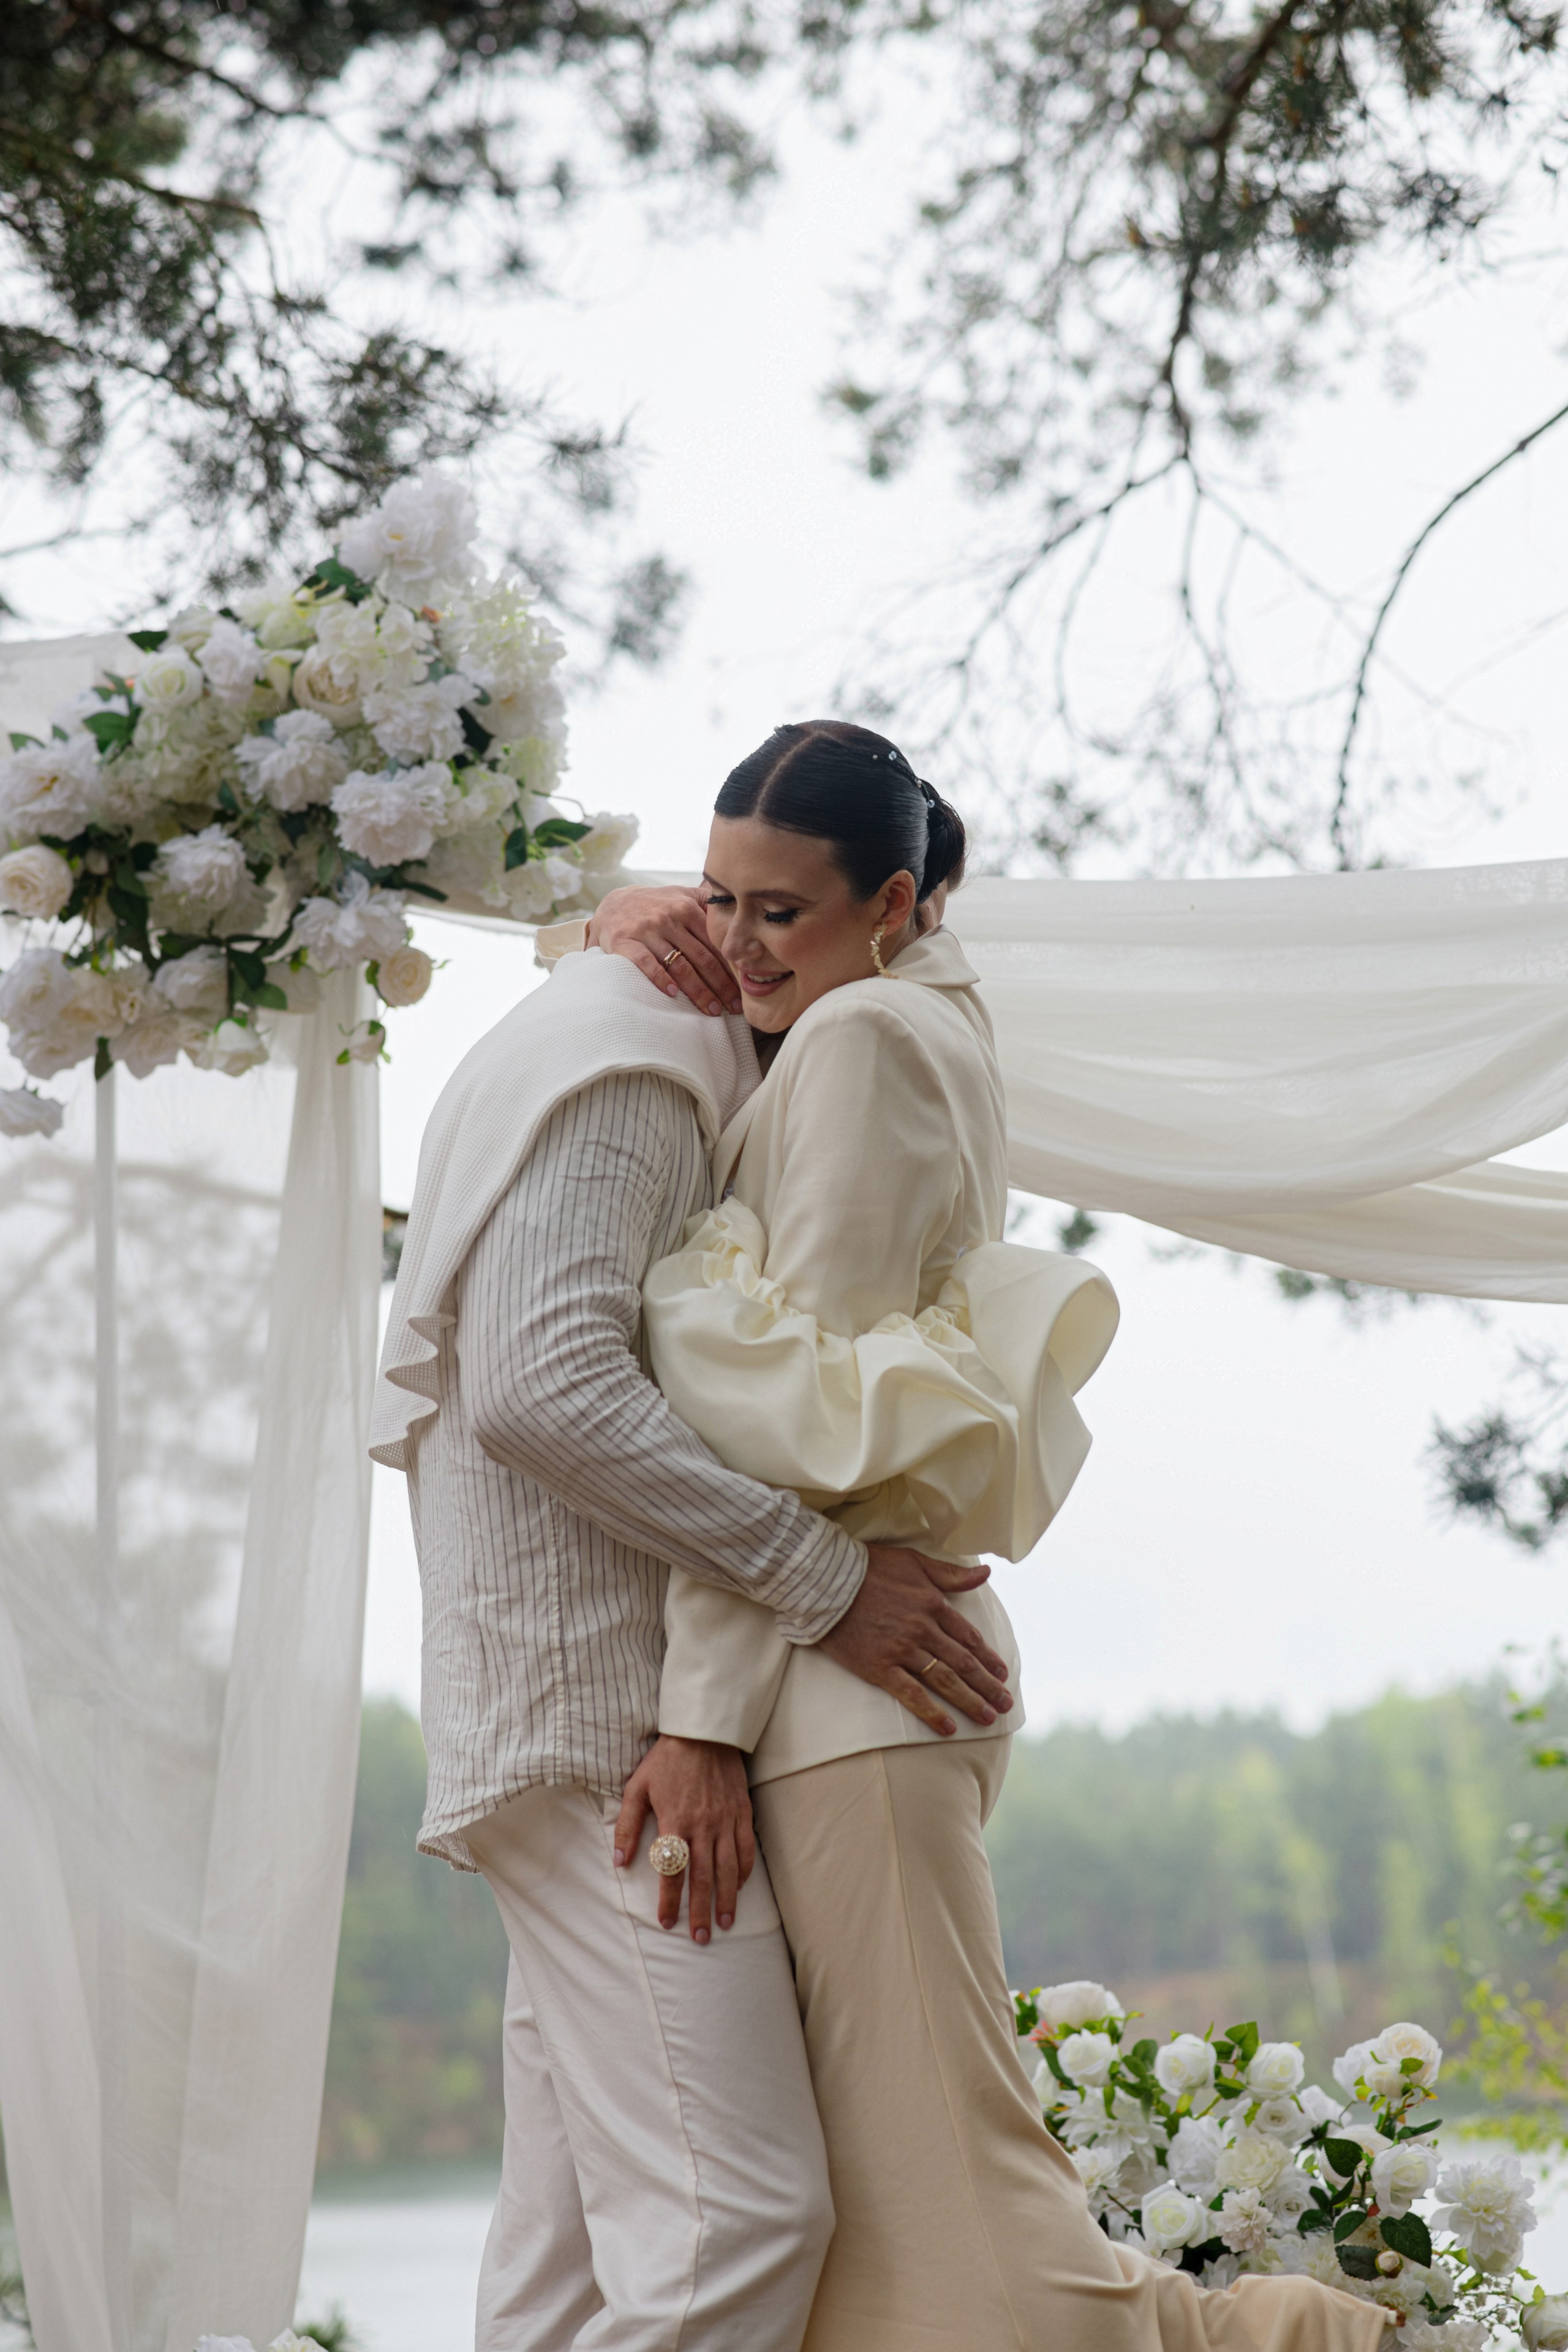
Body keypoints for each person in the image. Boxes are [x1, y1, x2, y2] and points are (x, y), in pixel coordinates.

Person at [589, 720, 1392, 2352]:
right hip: (850, 1693)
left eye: (774, 913)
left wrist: (700, 1720)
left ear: (895, 899)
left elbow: (799, 1417)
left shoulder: (871, 1041)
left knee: (958, 2234)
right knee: (879, 2246)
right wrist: (599, 921)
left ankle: (1329, 2341)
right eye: (714, 897)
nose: (731, 945)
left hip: (833, 1705)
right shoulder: (881, 1010)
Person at [368, 918, 1014, 2352]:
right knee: (738, 2224)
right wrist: (822, 1583)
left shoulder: (647, 1024)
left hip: (584, 1715)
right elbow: (538, 1387)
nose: (747, 938)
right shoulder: (636, 1062)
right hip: (598, 1726)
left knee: (571, 2265)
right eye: (735, 903)